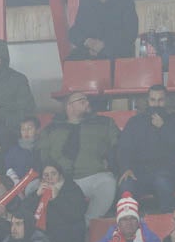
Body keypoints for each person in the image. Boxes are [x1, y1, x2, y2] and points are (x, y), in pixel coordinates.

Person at [40, 91, 121, 219]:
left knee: (108, 183)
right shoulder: (52, 128)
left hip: (91, 175)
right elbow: (42, 154)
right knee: (32, 188)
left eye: (87, 100)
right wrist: (47, 177)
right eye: (82, 101)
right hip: (59, 179)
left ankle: (88, 223)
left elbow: (119, 147)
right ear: (69, 106)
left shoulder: (104, 123)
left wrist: (112, 166)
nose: (87, 103)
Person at [118, 86, 175, 213]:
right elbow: (124, 148)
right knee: (126, 185)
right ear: (148, 101)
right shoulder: (135, 122)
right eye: (153, 100)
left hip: (167, 172)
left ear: (167, 100)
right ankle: (129, 227)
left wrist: (164, 128)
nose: (156, 104)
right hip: (139, 172)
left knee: (162, 182)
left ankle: (167, 222)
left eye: (160, 100)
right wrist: (126, 168)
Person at [69, 0, 140, 60]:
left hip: (116, 55)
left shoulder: (125, 4)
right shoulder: (87, 4)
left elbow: (130, 34)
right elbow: (75, 31)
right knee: (70, 61)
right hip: (90, 53)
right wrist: (88, 42)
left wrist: (103, 46)